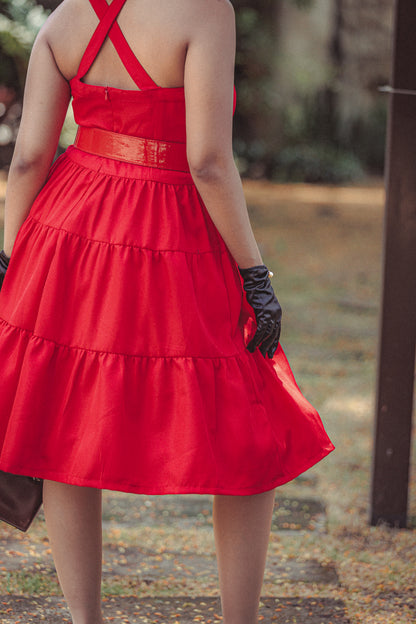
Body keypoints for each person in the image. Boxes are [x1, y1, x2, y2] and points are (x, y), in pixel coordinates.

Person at [0, 0, 335, 622]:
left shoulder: (67, 16)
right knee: (246, 423)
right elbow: (208, 161)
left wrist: (10, 255)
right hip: (174, 228)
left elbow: (27, 159)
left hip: (68, 229)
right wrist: (255, 276)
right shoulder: (206, 11)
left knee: (64, 426)